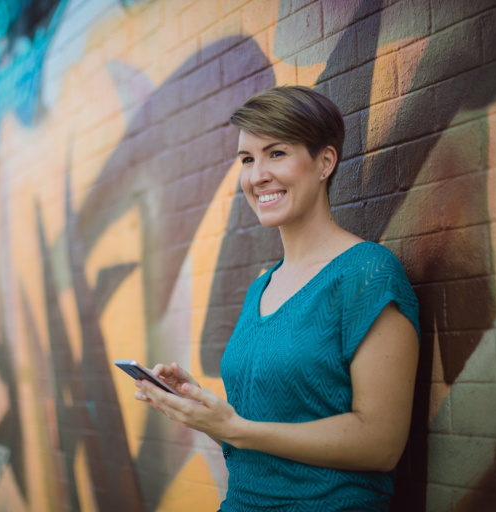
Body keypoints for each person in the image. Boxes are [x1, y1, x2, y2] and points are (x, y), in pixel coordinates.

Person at [134, 85, 420, 511]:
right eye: (247, 160)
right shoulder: (261, 287)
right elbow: (256, 433)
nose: (257, 175)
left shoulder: (367, 273)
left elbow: (380, 443)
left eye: (276, 153)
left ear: (325, 162)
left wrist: (236, 427)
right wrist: (203, 410)